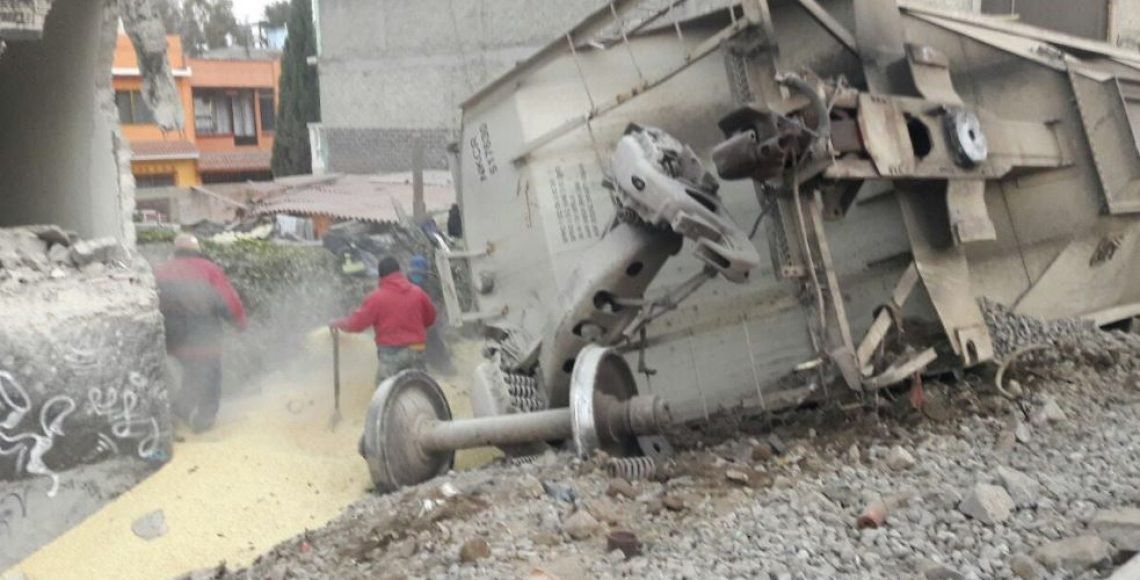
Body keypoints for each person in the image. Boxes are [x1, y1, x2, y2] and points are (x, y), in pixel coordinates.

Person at [155, 234, 246, 433]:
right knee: (210, 376)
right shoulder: (208, 269)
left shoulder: (161, 271)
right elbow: (227, 300)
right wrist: (239, 322)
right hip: (203, 333)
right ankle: (203, 423)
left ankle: (181, 412)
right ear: (197, 250)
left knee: (193, 372)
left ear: (175, 251)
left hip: (173, 336)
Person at [331, 256, 437, 385]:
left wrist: (338, 323)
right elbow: (430, 318)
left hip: (391, 355)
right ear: (400, 273)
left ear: (380, 277)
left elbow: (357, 324)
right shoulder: (418, 293)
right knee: (423, 388)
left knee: (384, 395)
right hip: (417, 350)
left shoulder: (376, 298)